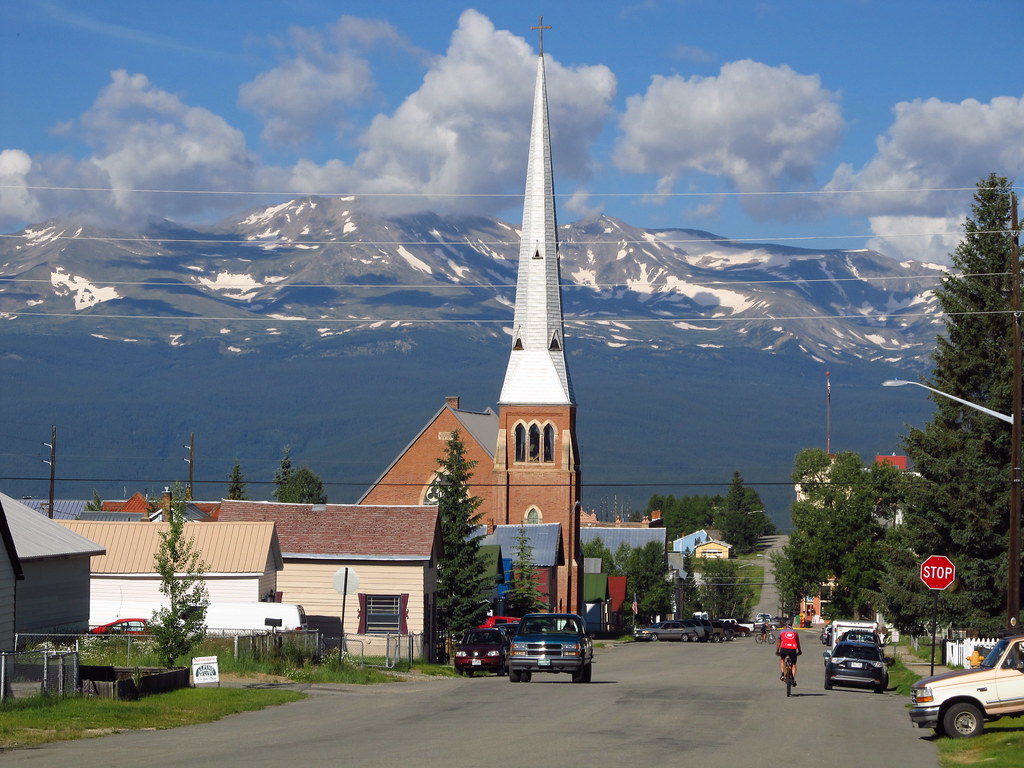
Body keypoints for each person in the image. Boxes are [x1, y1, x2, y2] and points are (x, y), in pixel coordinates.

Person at [777, 620, 802, 686]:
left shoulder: (781, 632)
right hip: (793, 649)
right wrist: (799, 651)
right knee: (793, 664)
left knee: (782, 659)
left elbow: (779, 643)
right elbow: (798, 643)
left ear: (785, 626)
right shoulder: (795, 632)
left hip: (784, 648)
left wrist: (777, 651)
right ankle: (793, 679)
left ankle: (782, 674)